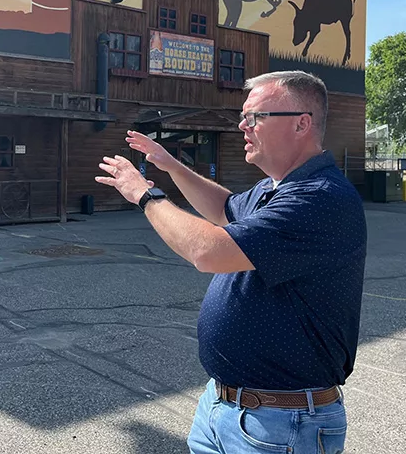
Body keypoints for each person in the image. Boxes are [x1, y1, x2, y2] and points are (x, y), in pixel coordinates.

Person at [95, 70, 367, 454]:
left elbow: (208, 251)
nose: (243, 125)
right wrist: (172, 165)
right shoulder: (277, 187)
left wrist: (145, 195)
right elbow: (224, 208)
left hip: (281, 424)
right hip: (224, 407)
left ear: (302, 123)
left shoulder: (319, 197)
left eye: (255, 117)